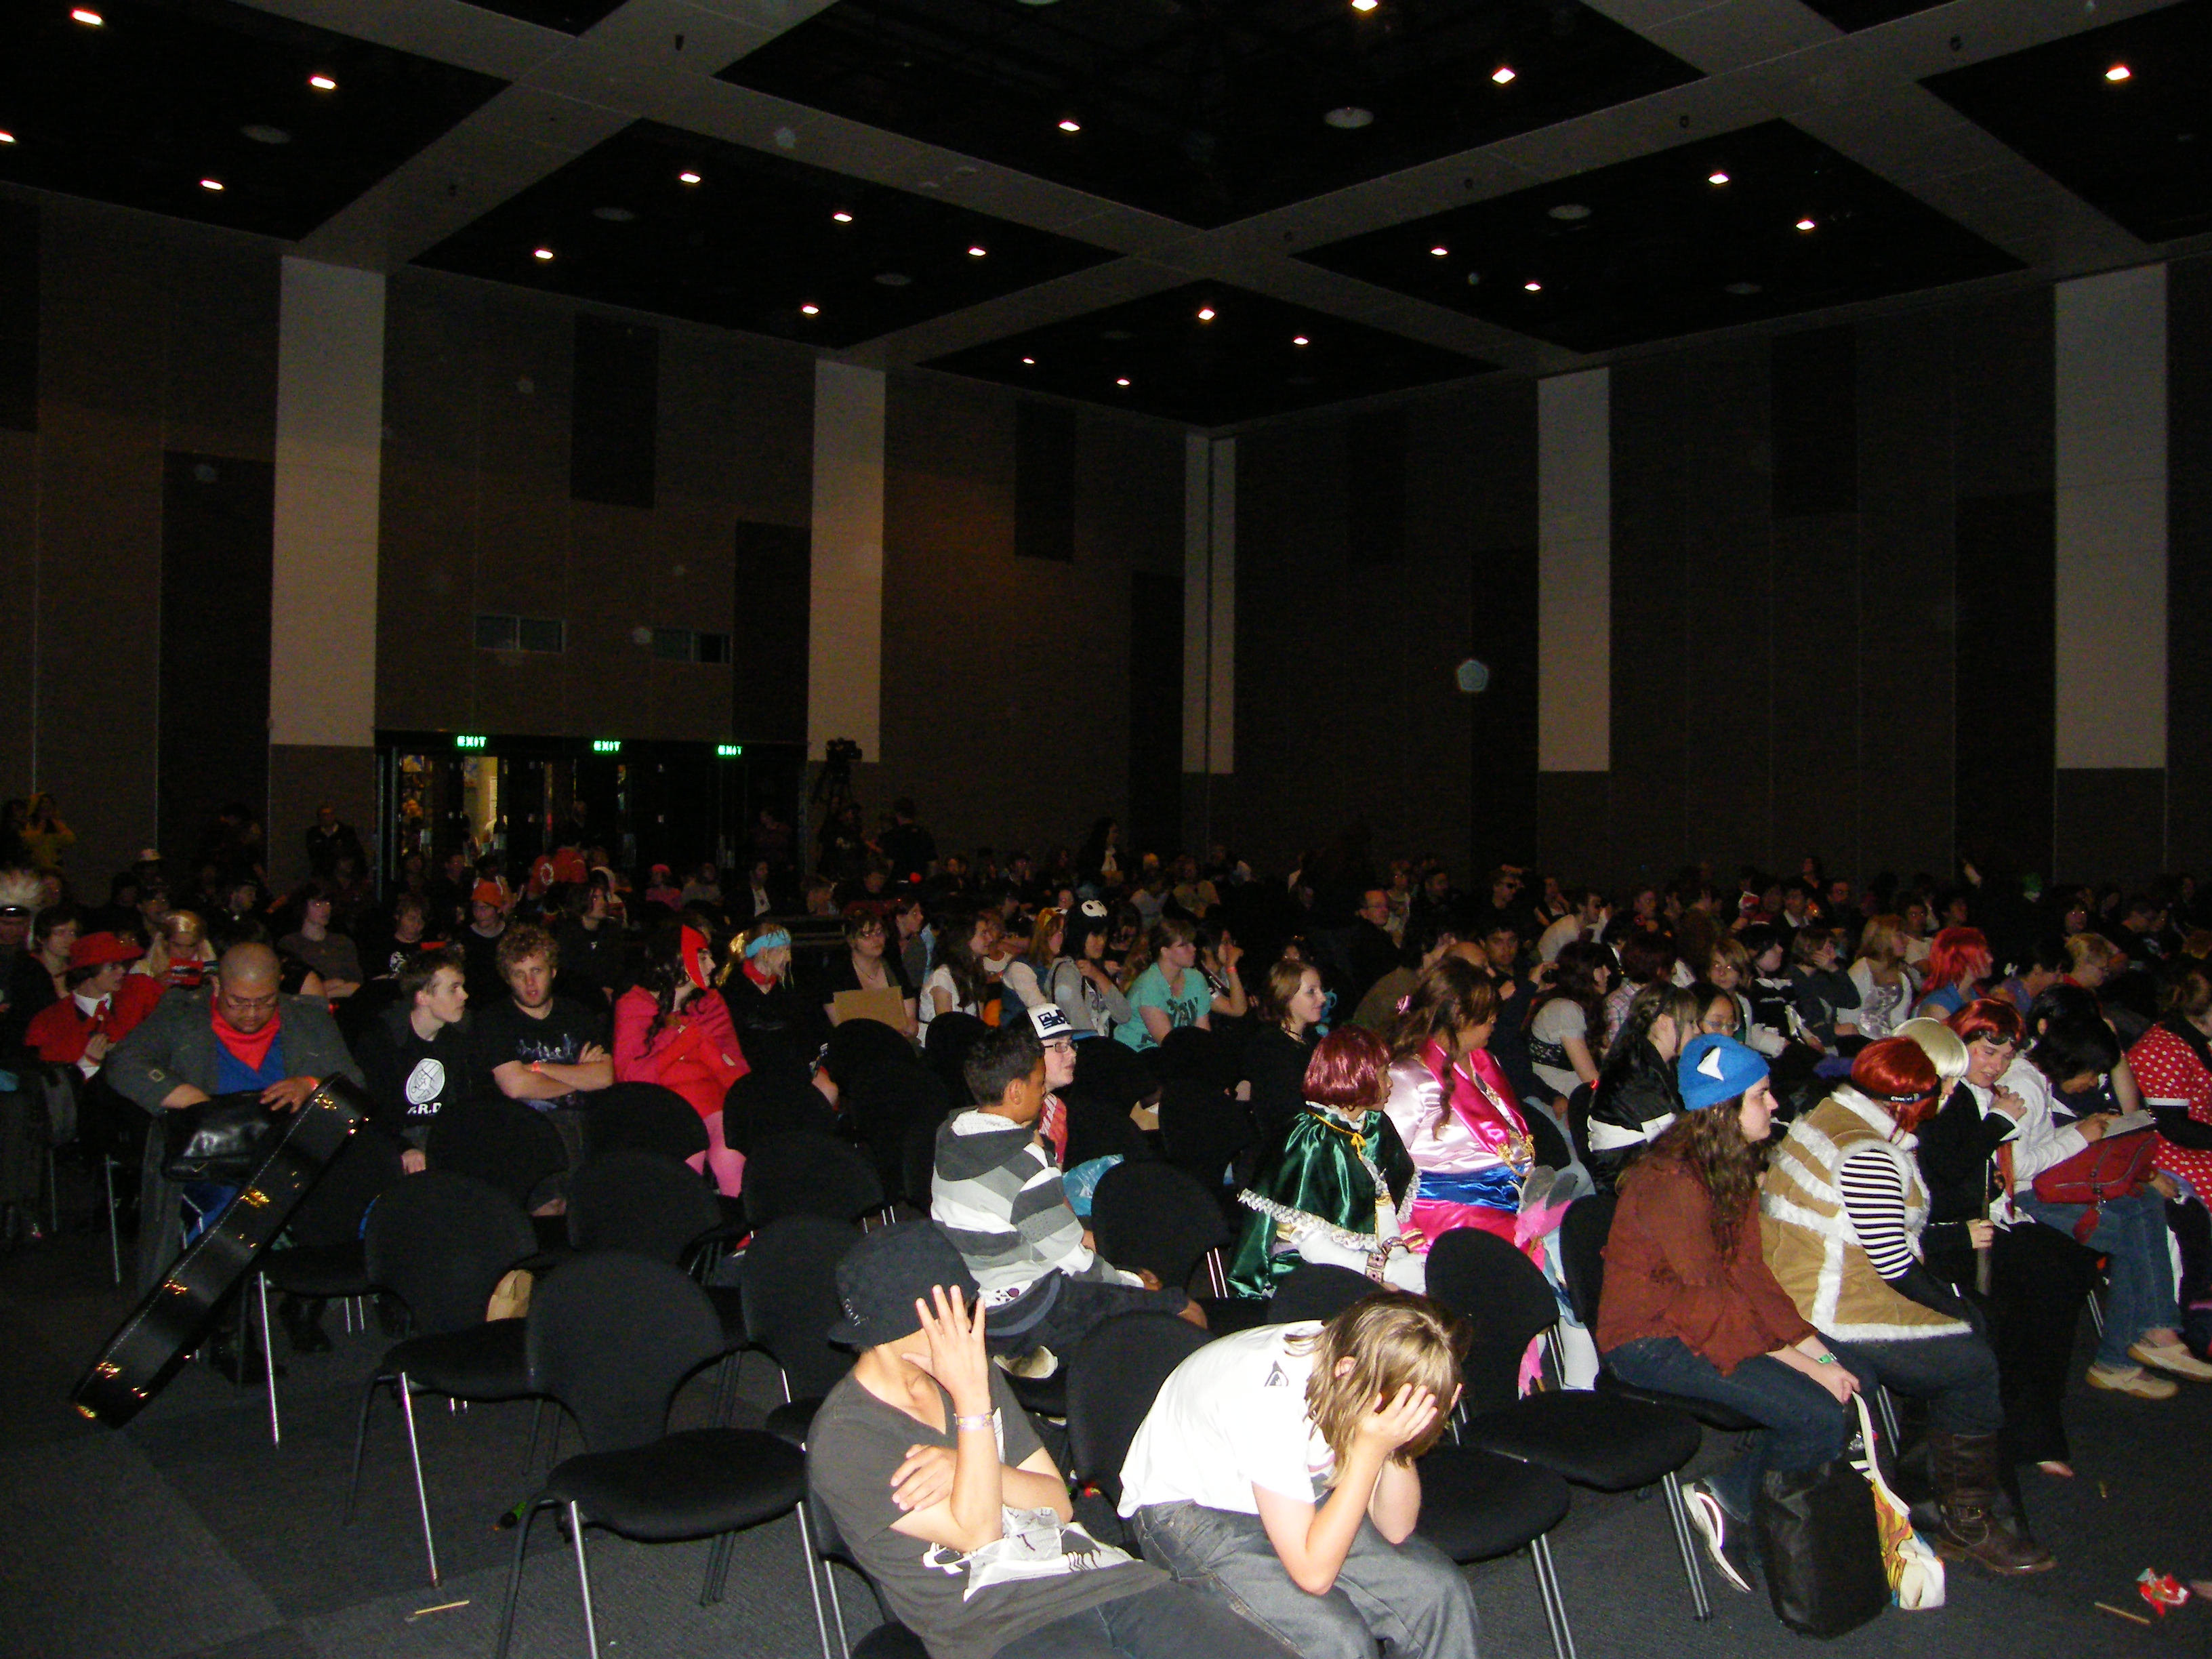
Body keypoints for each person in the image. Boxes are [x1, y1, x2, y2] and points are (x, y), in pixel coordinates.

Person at [806, 1223, 1288, 1659]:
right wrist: (972, 1405)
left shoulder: (965, 1370)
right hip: (1000, 1625)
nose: (971, 1322)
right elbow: (978, 1532)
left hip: (1097, 1576)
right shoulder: (847, 1439)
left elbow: (1056, 1502)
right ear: (900, 1328)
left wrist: (962, 1465)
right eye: (954, 1312)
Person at [1759, 1038, 2053, 1574]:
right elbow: (1894, 1264)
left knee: (1965, 1333)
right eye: (1942, 1086)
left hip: (1805, 1283)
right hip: (1827, 1303)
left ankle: (1928, 1491)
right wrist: (1957, 1310)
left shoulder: (1831, 1115)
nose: (1949, 1094)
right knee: (1973, 1358)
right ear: (1907, 1099)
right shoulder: (1867, 1153)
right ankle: (1967, 1523)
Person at [1599, 1033, 1866, 1593]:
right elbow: (1711, 1304)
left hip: (1701, 1318)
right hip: (1648, 1341)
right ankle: (1732, 1499)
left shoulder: (1729, 1163)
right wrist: (1805, 1365)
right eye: (1762, 1095)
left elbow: (1749, 1274)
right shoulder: (1672, 1182)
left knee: (1843, 1383)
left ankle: (1759, 1499)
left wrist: (1815, 1349)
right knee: (1819, 1416)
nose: (1775, 1104)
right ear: (1724, 1110)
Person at [1118, 1294, 1479, 1659]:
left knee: (1438, 1594)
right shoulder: (1270, 1403)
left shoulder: (1362, 1363)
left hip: (1288, 1484)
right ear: (1347, 1372)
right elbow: (1314, 1574)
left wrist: (1396, 1443)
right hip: (1185, 1508)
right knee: (1336, 1638)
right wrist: (1370, 1451)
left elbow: (1395, 1527)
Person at [105, 943, 364, 1300]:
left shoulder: (308, 1020)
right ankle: (217, 1315)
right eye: (238, 1002)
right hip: (209, 1164)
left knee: (340, 1195)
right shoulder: (182, 1016)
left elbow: (354, 1083)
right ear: (216, 986)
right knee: (231, 1211)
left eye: (265, 1001)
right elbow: (123, 1062)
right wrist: (187, 1098)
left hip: (289, 1159)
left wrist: (309, 1085)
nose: (252, 1013)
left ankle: (305, 1303)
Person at [931, 1021, 1200, 1365]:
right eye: (1039, 1084)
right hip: (1031, 1308)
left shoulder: (951, 1135)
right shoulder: (1023, 1163)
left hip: (980, 1303)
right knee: (1185, 1310)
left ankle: (1032, 1359)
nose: (1044, 1092)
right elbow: (1073, 1260)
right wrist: (1130, 1282)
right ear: (1015, 1092)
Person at [1228, 1028, 1425, 1298]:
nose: (1390, 1083)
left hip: (1357, 1256)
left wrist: (1398, 1253)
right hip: (1306, 1267)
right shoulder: (1311, 1141)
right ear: (1357, 1078)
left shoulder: (1373, 1125)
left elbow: (1382, 1203)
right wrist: (1384, 1271)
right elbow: (1312, 1246)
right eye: (1382, 1074)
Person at [1381, 959, 1538, 1247]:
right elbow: (1380, 1167)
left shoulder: (1484, 1061)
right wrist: (1408, 1236)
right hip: (1449, 1216)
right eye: (1488, 1013)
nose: (1495, 1018)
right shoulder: (1407, 1078)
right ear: (1460, 1018)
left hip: (1505, 1202)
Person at [613, 920, 749, 1194]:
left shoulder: (711, 1004)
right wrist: (686, 1039)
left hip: (713, 1106)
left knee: (730, 1153)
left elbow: (737, 1074)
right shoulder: (635, 1005)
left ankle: (740, 1222)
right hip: (662, 1109)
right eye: (703, 957)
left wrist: (696, 1043)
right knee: (685, 1150)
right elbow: (632, 1077)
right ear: (678, 960)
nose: (713, 965)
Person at [470, 924, 613, 1166]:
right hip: (523, 1130)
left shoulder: (578, 1015)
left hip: (582, 1124)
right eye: (519, 974)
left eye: (537, 970)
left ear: (553, 971)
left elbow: (604, 1076)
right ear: (507, 979)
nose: (530, 982)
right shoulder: (493, 1020)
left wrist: (539, 1068)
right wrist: (580, 1077)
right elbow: (516, 1086)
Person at [354, 947, 472, 1169]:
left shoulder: (461, 1033)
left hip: (443, 1135)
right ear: (423, 997)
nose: (464, 995)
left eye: (462, 987)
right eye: (453, 989)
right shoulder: (382, 1039)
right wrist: (402, 1147)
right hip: (396, 1137)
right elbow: (370, 1110)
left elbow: (468, 1103)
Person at [1582, 984, 1701, 1190]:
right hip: (1624, 1180)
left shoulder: (1657, 1061)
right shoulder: (1636, 1072)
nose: (1698, 1030)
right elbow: (1675, 1143)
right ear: (1663, 1022)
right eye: (1690, 1023)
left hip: (1644, 1164)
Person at [24, 931, 164, 1076]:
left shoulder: (140, 990)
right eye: (113, 967)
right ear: (88, 973)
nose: (122, 971)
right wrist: (89, 1063)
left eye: (122, 964)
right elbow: (55, 1083)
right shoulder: (50, 1023)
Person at [720, 923, 822, 1077]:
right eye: (782, 951)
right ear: (763, 952)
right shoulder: (734, 988)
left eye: (788, 951)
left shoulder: (789, 986)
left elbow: (804, 1032)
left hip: (791, 1068)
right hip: (752, 1071)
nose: (788, 958)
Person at [1246, 959, 1327, 1145]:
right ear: (1286, 998)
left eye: (1320, 989)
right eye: (1311, 992)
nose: (1322, 998)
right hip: (1294, 1146)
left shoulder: (1310, 1038)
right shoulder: (1270, 1051)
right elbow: (1292, 1116)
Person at [1525, 939, 1610, 1103]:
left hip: (1575, 1095)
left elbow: (1609, 1057)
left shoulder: (1587, 1006)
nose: (1608, 973)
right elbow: (1590, 1079)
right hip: (1562, 1100)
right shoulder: (1564, 1009)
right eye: (1600, 968)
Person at [1115, 919, 1211, 1055]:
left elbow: (1203, 1034)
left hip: (1172, 1055)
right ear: (1165, 951)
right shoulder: (1149, 985)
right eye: (1184, 946)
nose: (1193, 949)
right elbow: (1168, 1044)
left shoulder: (1196, 979)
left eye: (1192, 943)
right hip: (1138, 1055)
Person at [821, 907, 919, 1038]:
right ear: (852, 941)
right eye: (867, 935)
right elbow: (842, 1027)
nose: (876, 939)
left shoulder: (895, 969)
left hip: (896, 1040)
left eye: (879, 933)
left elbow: (911, 1021)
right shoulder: (836, 975)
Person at [1047, 899, 1132, 1041]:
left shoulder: (1094, 969)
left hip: (1099, 1045)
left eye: (1104, 935)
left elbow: (1124, 1014)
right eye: (1095, 935)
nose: (1102, 942)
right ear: (1078, 935)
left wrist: (1099, 976)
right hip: (1079, 1049)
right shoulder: (1066, 972)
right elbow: (1082, 1031)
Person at [276, 882, 363, 998]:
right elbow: (290, 987)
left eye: (328, 903)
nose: (325, 909)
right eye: (317, 904)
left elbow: (357, 984)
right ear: (303, 907)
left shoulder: (343, 943)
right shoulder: (290, 943)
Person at [922, 909, 1002, 1031]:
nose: (990, 939)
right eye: (983, 934)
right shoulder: (942, 977)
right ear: (965, 938)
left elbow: (978, 1021)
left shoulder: (974, 972)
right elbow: (946, 1030)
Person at [1846, 914, 1917, 1040]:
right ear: (1882, 939)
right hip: (1859, 1041)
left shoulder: (1901, 975)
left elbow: (1899, 1019)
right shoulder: (1860, 972)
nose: (1906, 941)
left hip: (1887, 1041)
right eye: (1899, 935)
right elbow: (1847, 1020)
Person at [1914, 926, 1991, 1020]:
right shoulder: (1939, 1007)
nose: (1990, 959)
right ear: (1963, 960)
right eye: (1983, 955)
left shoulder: (1975, 994)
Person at [303, 804, 365, 878]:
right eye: (324, 815)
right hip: (322, 874)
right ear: (319, 817)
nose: (327, 818)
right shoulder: (314, 833)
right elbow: (313, 853)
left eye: (330, 814)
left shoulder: (346, 832)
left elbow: (355, 852)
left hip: (343, 873)